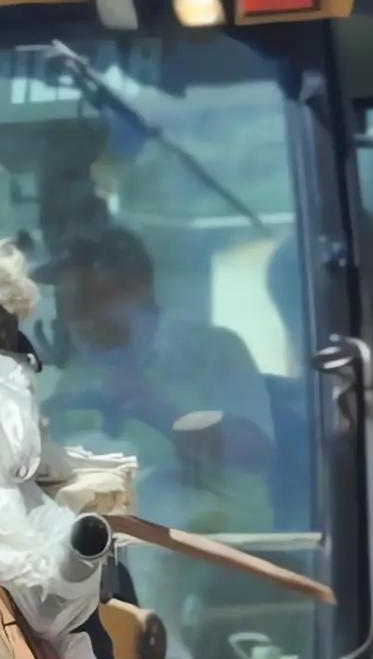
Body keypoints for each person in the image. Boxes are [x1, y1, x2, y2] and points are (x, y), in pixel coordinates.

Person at [35, 226, 277, 534]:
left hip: (220, 544)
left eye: (93, 296)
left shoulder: (213, 350)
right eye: (66, 301)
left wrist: (158, 410)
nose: (79, 317)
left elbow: (256, 455)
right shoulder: (80, 373)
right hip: (111, 540)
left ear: (140, 288)